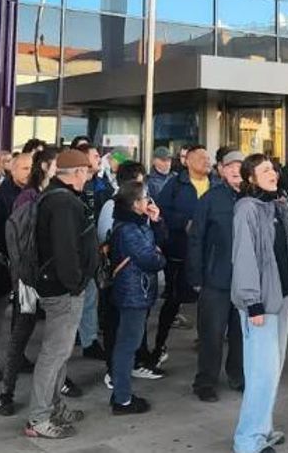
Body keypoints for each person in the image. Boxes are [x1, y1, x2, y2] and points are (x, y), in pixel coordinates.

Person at [24, 148, 98, 439]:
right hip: (62, 289)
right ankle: (39, 417)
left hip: (59, 286)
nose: (88, 177)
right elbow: (65, 249)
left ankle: (53, 406)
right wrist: (75, 283)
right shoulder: (63, 203)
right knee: (54, 354)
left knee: (61, 352)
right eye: (86, 172)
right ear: (78, 172)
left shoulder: (56, 197)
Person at [231, 154, 288, 453]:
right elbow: (244, 256)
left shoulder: (273, 206)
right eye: (265, 170)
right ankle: (248, 440)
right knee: (261, 373)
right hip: (261, 302)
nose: (273, 173)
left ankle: (262, 428)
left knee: (272, 371)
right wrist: (252, 303)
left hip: (279, 297)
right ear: (250, 178)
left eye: (273, 169)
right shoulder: (247, 208)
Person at [0, 146, 59, 416]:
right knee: (22, 331)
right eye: (56, 164)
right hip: (28, 278)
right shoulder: (27, 198)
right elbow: (20, 242)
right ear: (45, 167)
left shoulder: (45, 195)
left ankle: (54, 387)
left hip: (41, 275)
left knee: (51, 335)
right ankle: (6, 393)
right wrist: (24, 277)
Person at [189, 150, 247, 402]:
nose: (235, 170)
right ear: (221, 170)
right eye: (230, 166)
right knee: (211, 334)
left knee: (241, 333)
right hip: (216, 278)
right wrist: (196, 276)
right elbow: (196, 238)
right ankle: (205, 381)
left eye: (240, 165)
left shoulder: (252, 198)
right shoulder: (210, 199)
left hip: (245, 280)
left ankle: (238, 375)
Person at [106, 181, 166, 415]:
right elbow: (151, 259)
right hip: (133, 294)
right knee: (127, 344)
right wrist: (159, 256)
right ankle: (122, 399)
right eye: (145, 197)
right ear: (134, 203)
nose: (149, 201)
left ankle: (121, 395)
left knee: (128, 342)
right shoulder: (129, 230)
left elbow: (160, 243)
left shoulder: (138, 224)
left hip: (137, 292)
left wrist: (156, 221)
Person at [152, 144, 212, 366]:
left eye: (208, 158)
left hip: (209, 252)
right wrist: (184, 222)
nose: (207, 162)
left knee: (208, 299)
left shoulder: (216, 184)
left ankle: (206, 340)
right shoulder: (175, 184)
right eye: (201, 158)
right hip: (180, 251)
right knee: (174, 299)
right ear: (188, 162)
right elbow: (162, 211)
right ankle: (159, 345)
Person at [0, 152, 32, 384]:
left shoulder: (30, 193)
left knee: (4, 317)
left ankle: (1, 358)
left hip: (16, 264)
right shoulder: (1, 196)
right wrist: (2, 260)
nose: (28, 173)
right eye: (24, 168)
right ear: (12, 169)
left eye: (31, 168)